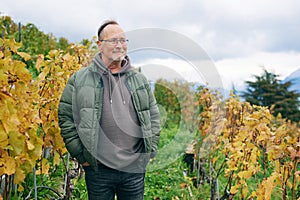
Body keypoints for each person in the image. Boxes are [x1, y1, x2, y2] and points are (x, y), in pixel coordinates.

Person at [58, 20, 160, 200]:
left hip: (133, 170)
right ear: (100, 45)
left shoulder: (139, 80)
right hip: (99, 170)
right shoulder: (79, 79)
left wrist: (149, 152)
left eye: (123, 41)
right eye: (113, 40)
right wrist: (83, 157)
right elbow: (66, 119)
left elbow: (152, 116)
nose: (119, 45)